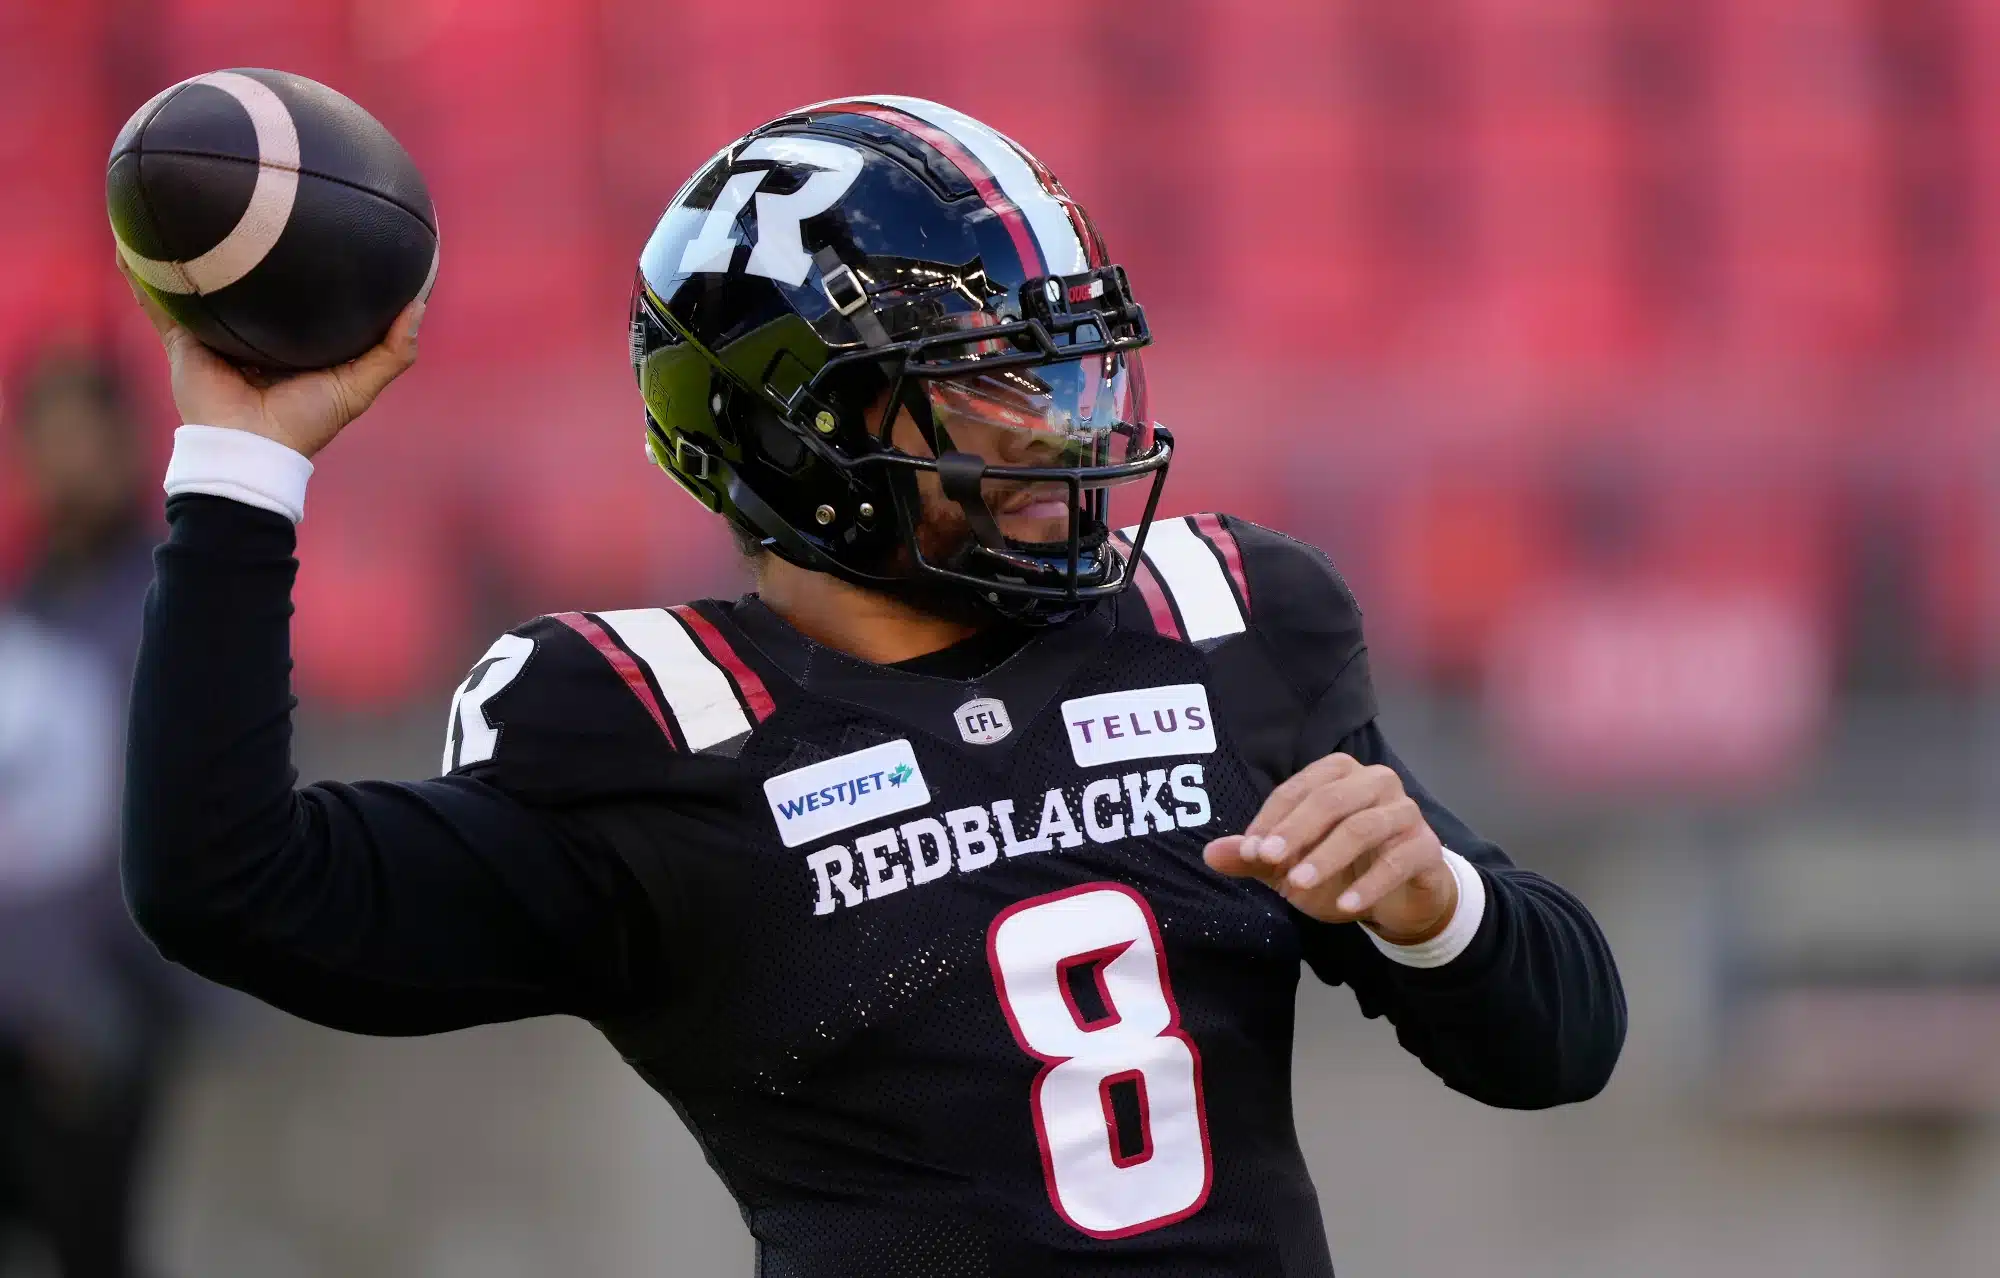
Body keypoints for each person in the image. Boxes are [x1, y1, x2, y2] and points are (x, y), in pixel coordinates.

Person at [120, 96, 1625, 1276]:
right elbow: (228, 886)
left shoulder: (1230, 624)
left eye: (1076, 368)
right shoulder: (657, 730)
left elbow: (1560, 1045)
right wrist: (244, 463)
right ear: (791, 429)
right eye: (991, 380)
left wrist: (1445, 913)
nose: (1058, 431)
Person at [2, 356, 187, 1278]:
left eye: (82, 436)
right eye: (46, 438)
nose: (63, 462)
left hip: (105, 1022)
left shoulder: (173, 611)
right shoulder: (21, 610)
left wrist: (118, 998)